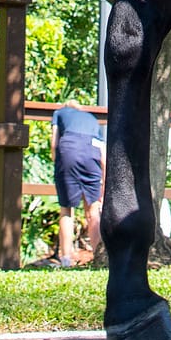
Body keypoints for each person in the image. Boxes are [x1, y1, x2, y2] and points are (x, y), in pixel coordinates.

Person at [50, 98, 103, 267]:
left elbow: (54, 142)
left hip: (68, 151)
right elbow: (102, 151)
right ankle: (98, 256)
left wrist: (57, 163)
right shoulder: (92, 118)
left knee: (66, 209)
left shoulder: (59, 113)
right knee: (93, 210)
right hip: (92, 155)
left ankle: (66, 259)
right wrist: (104, 180)